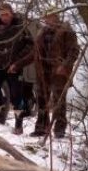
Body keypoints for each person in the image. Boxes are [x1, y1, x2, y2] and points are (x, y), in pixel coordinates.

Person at [8, 9, 80, 138]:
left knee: (58, 101)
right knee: (42, 100)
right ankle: (41, 128)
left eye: (50, 16)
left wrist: (64, 66)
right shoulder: (42, 32)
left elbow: (74, 52)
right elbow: (34, 54)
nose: (47, 19)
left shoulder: (67, 31)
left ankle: (59, 130)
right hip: (43, 72)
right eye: (46, 17)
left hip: (59, 72)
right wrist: (17, 65)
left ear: (56, 16)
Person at [0, 3, 34, 135]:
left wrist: (17, 62)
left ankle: (18, 124)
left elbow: (30, 46)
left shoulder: (20, 27)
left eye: (7, 14)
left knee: (16, 96)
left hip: (14, 66)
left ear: (12, 14)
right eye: (2, 14)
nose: (4, 17)